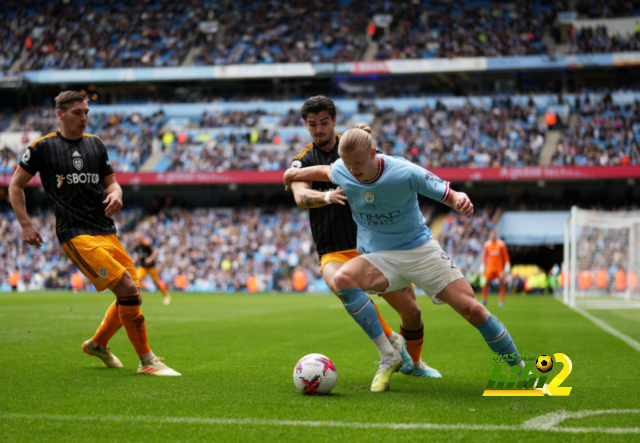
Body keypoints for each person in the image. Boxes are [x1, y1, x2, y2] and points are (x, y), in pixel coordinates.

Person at [284, 124, 528, 392]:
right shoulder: (343, 168)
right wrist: (292, 174)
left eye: (357, 163)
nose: (352, 170)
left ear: (374, 153)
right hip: (380, 257)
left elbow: (447, 193)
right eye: (347, 164)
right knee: (342, 279)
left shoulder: (404, 171)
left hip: (420, 251)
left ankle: (518, 369)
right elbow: (325, 171)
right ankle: (389, 355)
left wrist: (460, 200)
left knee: (473, 309)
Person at [8, 90, 180, 376]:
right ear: (60, 114)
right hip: (74, 233)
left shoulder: (96, 145)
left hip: (105, 230)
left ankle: (98, 344)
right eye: (77, 112)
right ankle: (147, 361)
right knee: (126, 287)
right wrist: (25, 224)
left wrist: (117, 194)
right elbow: (15, 186)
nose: (84, 118)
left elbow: (112, 184)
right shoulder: (42, 147)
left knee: (133, 292)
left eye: (86, 112)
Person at [290, 96, 441, 384]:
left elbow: (387, 176)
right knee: (341, 284)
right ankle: (390, 350)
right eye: (313, 124)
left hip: (375, 247)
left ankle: (416, 362)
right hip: (333, 249)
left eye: (324, 122)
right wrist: (327, 196)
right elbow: (299, 196)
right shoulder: (304, 159)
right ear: (306, 126)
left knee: (412, 311)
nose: (319, 129)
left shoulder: (356, 147)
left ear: (334, 121)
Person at [134, 232, 171, 305]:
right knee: (137, 280)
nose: (138, 239)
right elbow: (139, 255)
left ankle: (167, 297)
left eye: (139, 238)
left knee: (157, 282)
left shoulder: (147, 244)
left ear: (141, 238)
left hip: (151, 267)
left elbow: (155, 251)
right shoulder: (137, 246)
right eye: (137, 238)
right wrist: (133, 261)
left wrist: (150, 259)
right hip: (143, 267)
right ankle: (136, 298)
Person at [480, 231, 511, 307]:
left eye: (494, 235)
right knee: (485, 282)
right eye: (491, 235)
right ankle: (484, 299)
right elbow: (485, 256)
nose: (493, 237)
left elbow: (505, 256)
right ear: (490, 236)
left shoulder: (501, 244)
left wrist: (507, 265)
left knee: (502, 283)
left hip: (499, 267)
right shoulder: (487, 245)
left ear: (496, 236)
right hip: (490, 267)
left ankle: (501, 301)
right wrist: (482, 266)